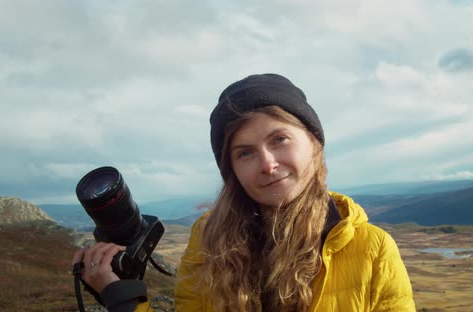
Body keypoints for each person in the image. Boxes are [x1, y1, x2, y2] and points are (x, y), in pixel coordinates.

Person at [73, 73, 416, 312]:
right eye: (245, 152)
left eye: (279, 139)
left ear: (314, 143)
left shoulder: (373, 250)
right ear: (232, 170)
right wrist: (123, 298)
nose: (267, 164)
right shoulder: (208, 241)